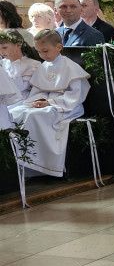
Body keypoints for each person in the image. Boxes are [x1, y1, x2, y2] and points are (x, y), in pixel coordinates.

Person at [9, 29, 90, 177]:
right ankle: (19, 161)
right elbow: (38, 91)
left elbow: (76, 95)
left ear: (59, 47)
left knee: (34, 116)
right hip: (45, 104)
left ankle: (40, 164)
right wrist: (38, 101)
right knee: (16, 112)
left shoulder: (71, 67)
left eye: (45, 51)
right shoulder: (44, 66)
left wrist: (50, 102)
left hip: (66, 107)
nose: (42, 55)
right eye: (39, 52)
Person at [0, 29, 42, 100]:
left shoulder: (34, 65)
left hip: (24, 101)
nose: (1, 52)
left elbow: (21, 88)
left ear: (18, 45)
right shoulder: (2, 64)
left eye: (4, 47)